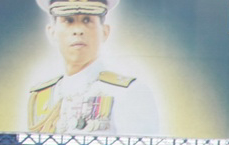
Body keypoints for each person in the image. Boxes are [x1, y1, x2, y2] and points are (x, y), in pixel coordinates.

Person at [24, 0, 160, 135]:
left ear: (105, 32)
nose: (78, 30)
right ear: (52, 32)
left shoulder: (130, 92)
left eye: (87, 20)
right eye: (68, 21)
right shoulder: (40, 97)